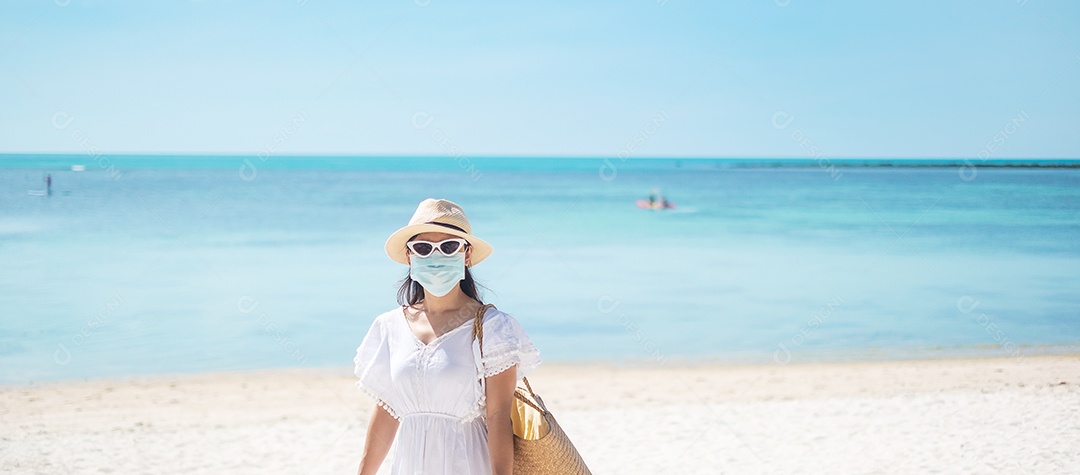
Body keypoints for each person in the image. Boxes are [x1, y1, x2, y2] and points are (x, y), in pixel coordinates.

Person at [354, 198, 541, 475]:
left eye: (449, 246)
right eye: (423, 247)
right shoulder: (389, 327)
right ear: (409, 256)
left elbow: (499, 418)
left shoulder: (493, 328)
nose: (436, 256)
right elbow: (387, 412)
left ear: (466, 254)